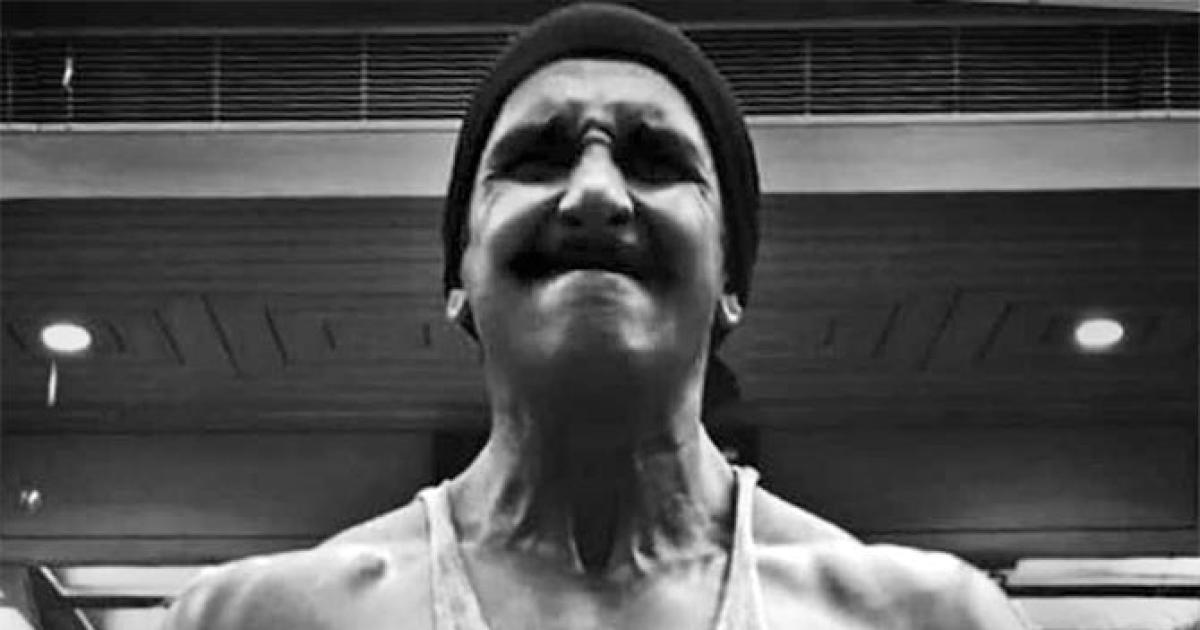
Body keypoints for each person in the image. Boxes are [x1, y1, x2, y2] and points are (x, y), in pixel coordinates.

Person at [163, 4, 1030, 628]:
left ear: (731, 279)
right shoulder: (251, 620)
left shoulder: (929, 619)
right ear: (459, 276)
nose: (593, 194)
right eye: (537, 158)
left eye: (655, 161)